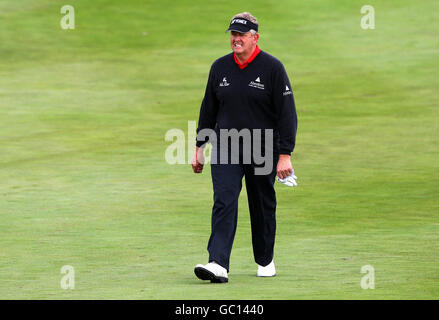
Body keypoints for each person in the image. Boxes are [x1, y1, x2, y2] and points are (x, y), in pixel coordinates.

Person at [192, 12, 298, 283]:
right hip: (226, 145)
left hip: (262, 147)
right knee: (223, 200)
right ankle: (217, 263)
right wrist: (199, 146)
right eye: (233, 34)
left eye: (241, 35)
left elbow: (287, 114)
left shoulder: (272, 68)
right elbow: (209, 109)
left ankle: (265, 259)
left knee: (261, 204)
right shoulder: (220, 67)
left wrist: (284, 154)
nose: (236, 39)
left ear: (255, 37)